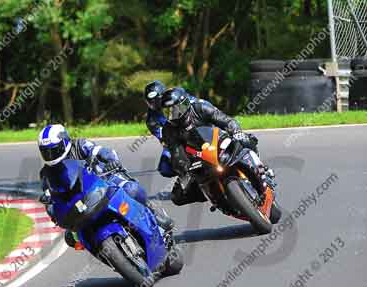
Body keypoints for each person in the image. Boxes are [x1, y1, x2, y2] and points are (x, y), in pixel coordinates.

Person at [37, 123, 173, 246]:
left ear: (65, 142)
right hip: (80, 203)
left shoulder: (80, 146)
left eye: (54, 150)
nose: (51, 156)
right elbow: (50, 200)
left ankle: (152, 211)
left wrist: (111, 161)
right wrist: (52, 209)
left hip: (104, 182)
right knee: (72, 239)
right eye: (46, 152)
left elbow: (102, 151)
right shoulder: (46, 174)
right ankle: (105, 253)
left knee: (132, 190)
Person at [160, 87, 275, 206]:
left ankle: (261, 170)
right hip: (197, 158)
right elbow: (176, 153)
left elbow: (225, 120)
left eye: (176, 109)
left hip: (218, 141)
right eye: (168, 112)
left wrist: (236, 131)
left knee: (247, 140)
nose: (173, 114)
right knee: (178, 197)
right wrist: (183, 169)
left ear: (185, 103)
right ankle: (217, 199)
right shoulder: (168, 130)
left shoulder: (200, 107)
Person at [144, 80, 177, 179]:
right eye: (151, 102)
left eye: (156, 100)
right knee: (164, 168)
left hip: (190, 128)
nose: (154, 104)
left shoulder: (176, 98)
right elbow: (164, 137)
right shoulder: (151, 120)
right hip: (174, 140)